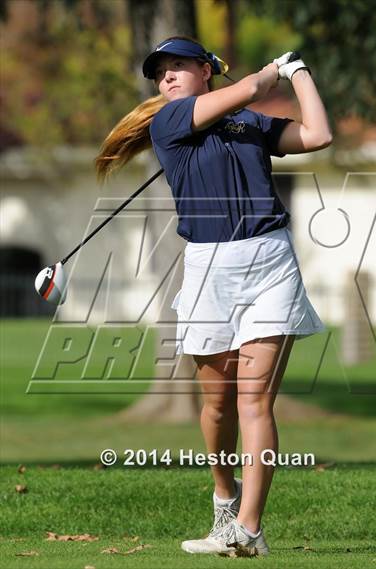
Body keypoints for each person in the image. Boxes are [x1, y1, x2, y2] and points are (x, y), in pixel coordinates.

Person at [95, 35, 332, 557]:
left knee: (255, 400)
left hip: (270, 262)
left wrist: (298, 72)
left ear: (206, 70)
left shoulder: (249, 124)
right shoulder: (169, 121)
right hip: (208, 269)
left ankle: (249, 529)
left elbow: (317, 135)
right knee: (218, 404)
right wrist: (269, 72)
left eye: (179, 67)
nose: (168, 78)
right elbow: (248, 87)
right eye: (161, 73)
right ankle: (224, 501)